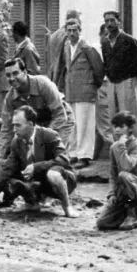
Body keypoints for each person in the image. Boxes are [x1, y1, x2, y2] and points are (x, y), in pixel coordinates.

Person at [0, 106, 76, 218]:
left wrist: (36, 166)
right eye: (13, 125)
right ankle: (32, 202)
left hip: (63, 179)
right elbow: (7, 168)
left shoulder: (49, 135)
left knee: (53, 174)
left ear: (30, 124)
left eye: (18, 125)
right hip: (40, 183)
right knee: (7, 172)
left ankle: (67, 207)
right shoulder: (16, 142)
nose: (14, 129)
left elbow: (63, 160)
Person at [55, 17, 104, 166]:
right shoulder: (66, 46)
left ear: (80, 30)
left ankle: (85, 156)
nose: (71, 33)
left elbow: (99, 69)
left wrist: (92, 86)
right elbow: (64, 69)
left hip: (85, 91)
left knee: (85, 124)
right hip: (71, 91)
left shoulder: (87, 46)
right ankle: (74, 153)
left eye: (74, 30)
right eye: (68, 31)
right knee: (73, 124)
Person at [2, 57, 74, 157]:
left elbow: (60, 115)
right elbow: (6, 129)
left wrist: (41, 137)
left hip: (61, 119)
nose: (12, 78)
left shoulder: (43, 84)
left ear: (25, 72)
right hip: (38, 124)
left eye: (15, 73)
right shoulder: (10, 98)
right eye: (8, 75)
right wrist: (1, 157)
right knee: (34, 158)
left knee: (56, 156)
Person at [97, 112, 137, 230]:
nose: (118, 130)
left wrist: (122, 147)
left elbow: (127, 166)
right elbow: (113, 174)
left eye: (122, 126)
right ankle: (126, 212)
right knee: (103, 223)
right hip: (124, 190)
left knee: (124, 175)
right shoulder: (114, 147)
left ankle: (133, 214)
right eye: (115, 126)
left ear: (130, 128)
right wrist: (112, 194)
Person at [98, 11, 137, 152]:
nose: (109, 24)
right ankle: (119, 148)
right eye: (106, 21)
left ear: (119, 21)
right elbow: (106, 62)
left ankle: (136, 148)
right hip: (112, 82)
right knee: (114, 116)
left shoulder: (129, 40)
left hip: (126, 81)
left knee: (130, 115)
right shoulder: (105, 42)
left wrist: (135, 79)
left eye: (112, 20)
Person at [46, 9, 80, 81]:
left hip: (53, 74)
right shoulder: (68, 36)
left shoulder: (55, 34)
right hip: (63, 76)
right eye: (78, 19)